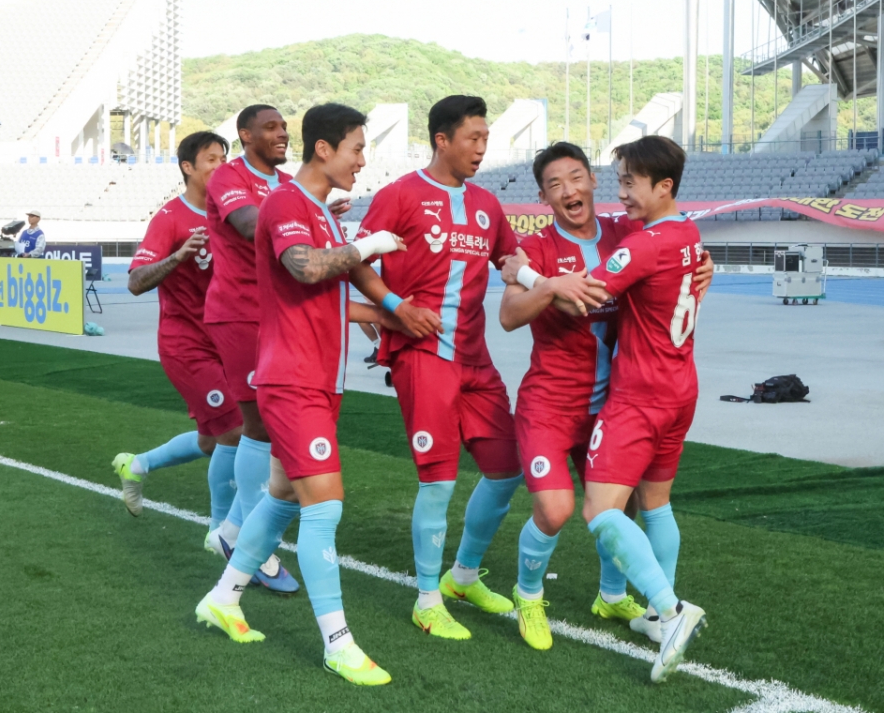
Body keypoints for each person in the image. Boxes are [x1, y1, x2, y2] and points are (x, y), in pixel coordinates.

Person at [196, 103, 412, 685]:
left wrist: (386, 310)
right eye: (356, 149)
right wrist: (368, 246)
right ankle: (338, 643)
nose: (362, 161)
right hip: (293, 381)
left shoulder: (319, 211)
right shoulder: (287, 202)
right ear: (324, 149)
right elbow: (306, 268)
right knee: (325, 508)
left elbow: (328, 289)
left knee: (286, 497)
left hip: (318, 378)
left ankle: (224, 597)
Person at [496, 141, 713, 650]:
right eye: (555, 184)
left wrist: (705, 266)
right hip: (552, 403)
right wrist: (539, 281)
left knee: (629, 504)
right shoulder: (537, 245)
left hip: (617, 398)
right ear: (543, 197)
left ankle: (615, 595)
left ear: (592, 182)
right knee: (556, 511)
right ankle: (529, 596)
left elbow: (660, 264)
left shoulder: (628, 232)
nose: (569, 190)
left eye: (577, 178)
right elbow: (507, 316)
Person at [354, 95, 529, 640]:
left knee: (507, 470)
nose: (482, 148)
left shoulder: (487, 204)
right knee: (438, 481)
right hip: (423, 357)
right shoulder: (399, 195)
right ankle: (427, 600)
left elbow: (511, 260)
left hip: (476, 359)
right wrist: (394, 307)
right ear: (442, 140)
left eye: (486, 139)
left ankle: (463, 577)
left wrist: (544, 278)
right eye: (473, 138)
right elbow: (357, 263)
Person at [572, 135, 707, 683]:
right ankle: (654, 614)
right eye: (620, 181)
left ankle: (671, 612)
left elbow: (585, 293)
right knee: (656, 505)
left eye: (630, 182)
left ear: (664, 186)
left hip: (640, 395)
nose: (622, 193)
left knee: (599, 511)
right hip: (680, 388)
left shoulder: (646, 244)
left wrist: (525, 277)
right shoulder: (689, 232)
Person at [202, 103, 314, 593]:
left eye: (284, 126)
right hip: (240, 312)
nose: (282, 133)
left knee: (272, 424)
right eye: (270, 127)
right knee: (259, 426)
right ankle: (252, 540)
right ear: (245, 135)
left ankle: (231, 532)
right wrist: (296, 219)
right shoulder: (229, 177)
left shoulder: (285, 184)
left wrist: (312, 217)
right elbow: (252, 225)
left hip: (276, 313)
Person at [112, 132, 243, 540]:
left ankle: (137, 465)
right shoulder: (170, 217)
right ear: (188, 167)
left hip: (228, 340)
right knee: (236, 430)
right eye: (211, 159)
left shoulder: (233, 214)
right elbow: (135, 282)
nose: (221, 166)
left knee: (211, 441)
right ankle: (220, 532)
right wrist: (178, 256)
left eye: (224, 158)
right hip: (187, 344)